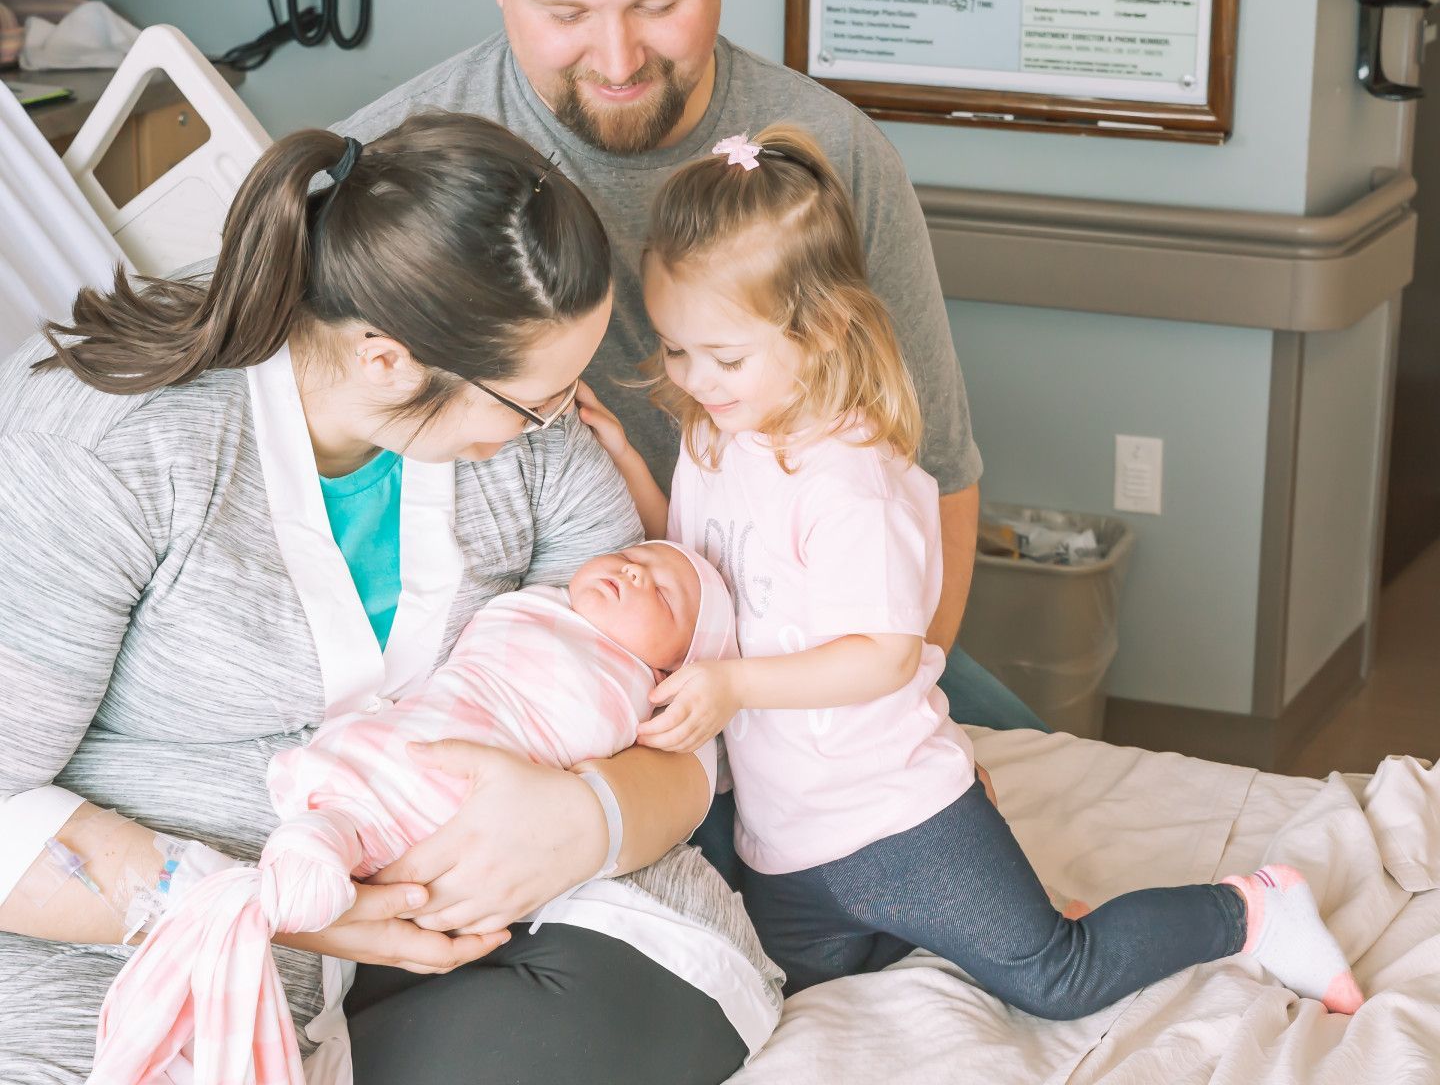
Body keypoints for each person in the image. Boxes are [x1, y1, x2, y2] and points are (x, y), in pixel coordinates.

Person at [0, 114, 768, 1085]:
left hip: (490, 899)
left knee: (674, 996)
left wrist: (589, 815)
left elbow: (683, 710)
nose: (566, 421)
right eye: (534, 399)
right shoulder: (105, 450)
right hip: (163, 913)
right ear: (386, 359)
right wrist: (280, 906)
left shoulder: (531, 434)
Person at [336, 0, 1047, 767]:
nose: (618, 56)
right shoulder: (387, 166)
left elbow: (937, 471)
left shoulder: (833, 156)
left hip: (806, 627)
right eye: (565, 11)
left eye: (660, 4)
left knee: (1005, 786)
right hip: (549, 647)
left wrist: (865, 743)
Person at [583, 125, 1366, 1019]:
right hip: (786, 837)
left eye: (724, 358)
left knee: (1056, 978)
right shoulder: (715, 434)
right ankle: (989, 916)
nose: (695, 378)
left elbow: (883, 655)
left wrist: (730, 685)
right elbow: (694, 571)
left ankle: (1253, 911)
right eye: (677, 349)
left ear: (824, 326)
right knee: (784, 997)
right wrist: (627, 464)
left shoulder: (847, 478)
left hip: (896, 817)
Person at [90, 541, 780, 1085]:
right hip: (366, 905)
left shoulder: (548, 474)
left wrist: (588, 812)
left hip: (612, 921)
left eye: (661, 590)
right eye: (633, 560)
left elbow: (692, 769)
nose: (633, 573)